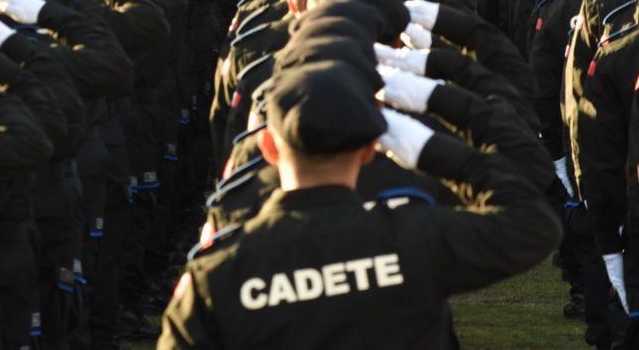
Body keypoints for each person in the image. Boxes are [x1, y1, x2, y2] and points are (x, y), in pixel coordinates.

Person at [158, 62, 562, 348]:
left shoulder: (217, 273)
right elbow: (532, 220)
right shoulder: (415, 236)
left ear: (268, 147)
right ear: (372, 150)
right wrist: (428, 148)